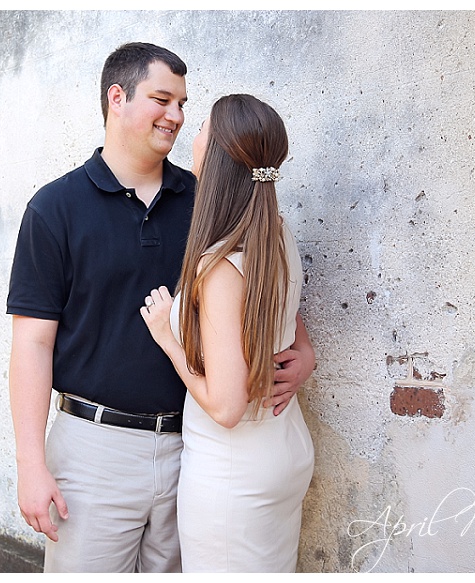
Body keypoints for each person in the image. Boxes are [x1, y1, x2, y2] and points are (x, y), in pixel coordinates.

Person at [7, 43, 315, 573]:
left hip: (193, 451)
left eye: (183, 104)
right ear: (117, 98)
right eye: (162, 99)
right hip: (94, 453)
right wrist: (31, 464)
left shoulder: (209, 198)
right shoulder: (55, 209)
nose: (175, 115)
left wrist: (302, 352)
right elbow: (32, 344)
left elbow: (261, 280)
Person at [140, 94, 315, 572]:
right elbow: (290, 327)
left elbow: (226, 405)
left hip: (232, 474)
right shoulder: (276, 232)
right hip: (284, 450)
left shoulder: (219, 266)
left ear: (214, 153)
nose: (190, 135)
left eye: (200, 128)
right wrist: (306, 358)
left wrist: (168, 338)